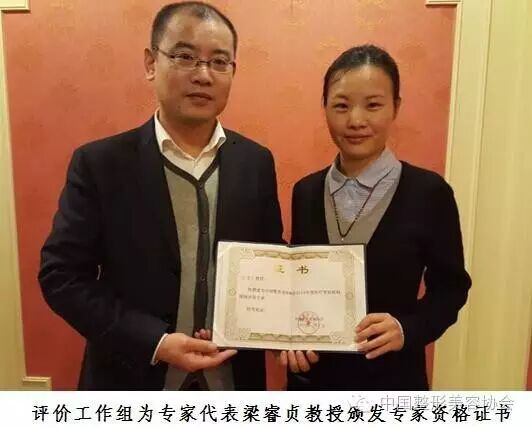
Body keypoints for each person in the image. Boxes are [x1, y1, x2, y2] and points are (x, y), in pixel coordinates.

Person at [38, 1, 283, 391]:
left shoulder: (255, 162)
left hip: (232, 383)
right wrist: (155, 342)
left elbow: (269, 259)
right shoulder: (101, 164)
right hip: (132, 381)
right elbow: (62, 277)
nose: (203, 75)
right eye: (185, 57)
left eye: (219, 62)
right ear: (151, 63)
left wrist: (293, 325)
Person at [281, 44, 471, 390]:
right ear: (324, 107)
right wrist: (287, 336)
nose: (356, 121)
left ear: (396, 106)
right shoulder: (306, 191)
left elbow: (451, 288)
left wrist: (406, 328)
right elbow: (299, 281)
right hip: (313, 383)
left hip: (392, 381)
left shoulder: (429, 192)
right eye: (341, 105)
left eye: (373, 105)